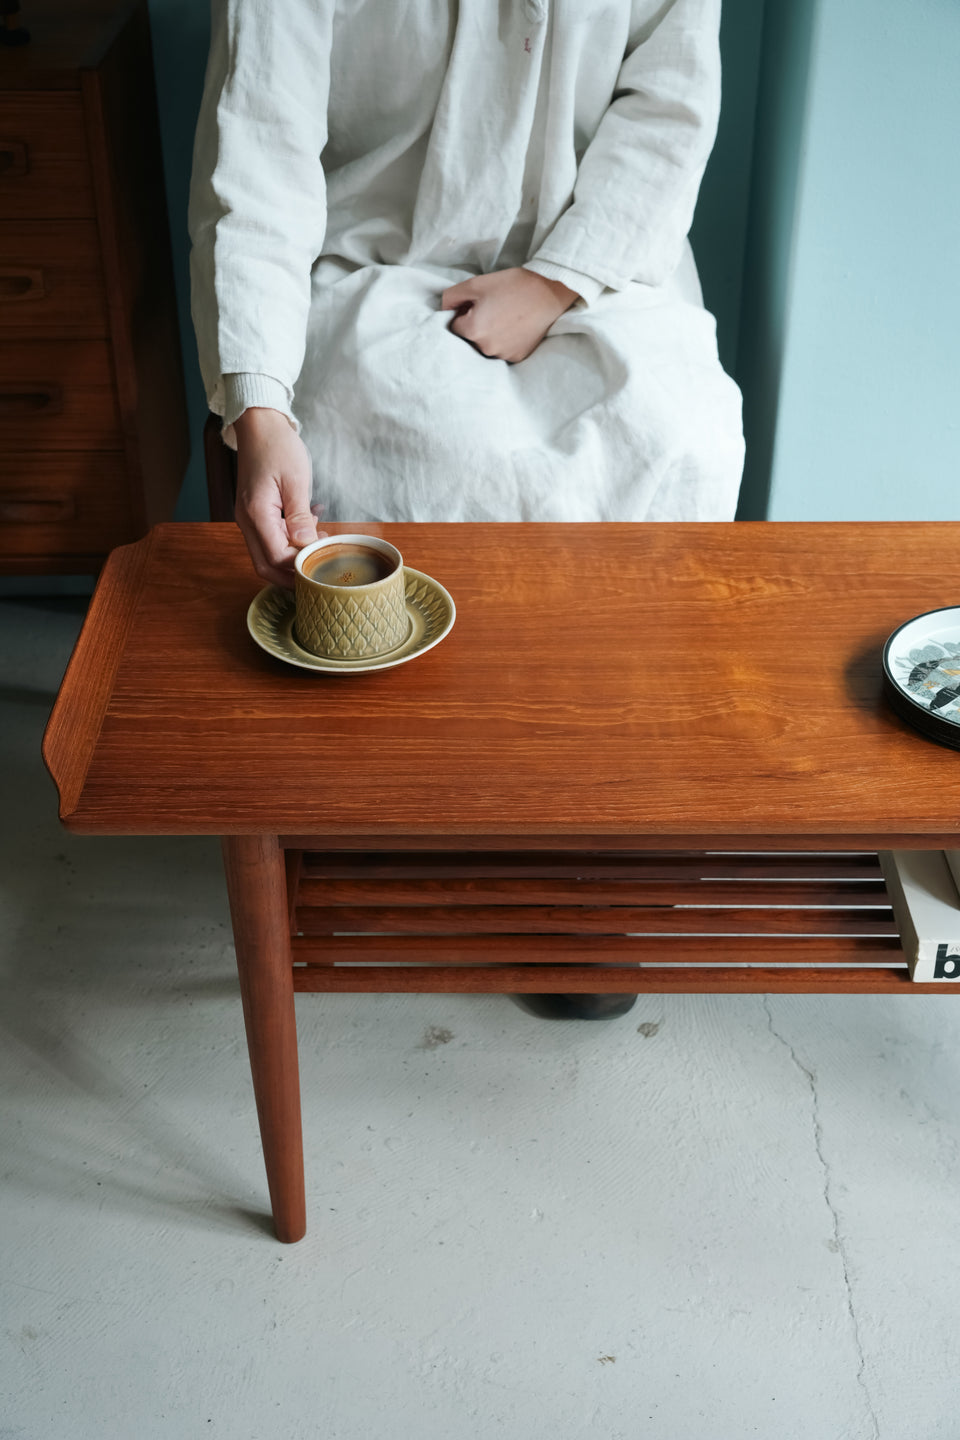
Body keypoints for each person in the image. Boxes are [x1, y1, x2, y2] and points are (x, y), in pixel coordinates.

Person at [189, 0, 744, 1019]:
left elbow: (668, 109)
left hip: (606, 264)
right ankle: (410, 818)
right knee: (424, 447)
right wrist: (257, 408)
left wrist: (557, 279)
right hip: (377, 264)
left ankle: (592, 842)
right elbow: (257, 149)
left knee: (681, 438)